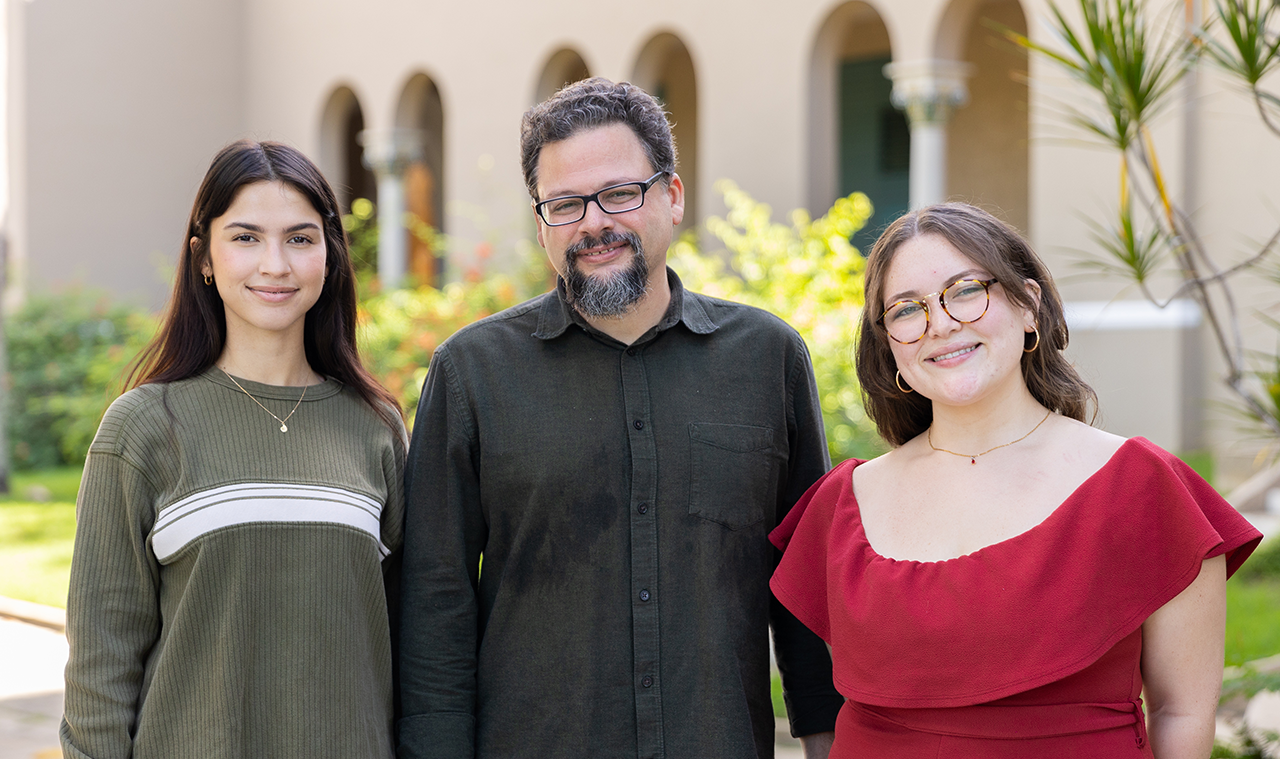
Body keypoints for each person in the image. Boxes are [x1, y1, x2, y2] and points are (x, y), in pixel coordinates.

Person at [397, 77, 842, 759]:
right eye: (566, 204)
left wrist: (826, 742)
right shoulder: (471, 374)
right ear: (542, 223)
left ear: (673, 196)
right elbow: (435, 604)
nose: (594, 223)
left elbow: (807, 590)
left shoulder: (768, 359)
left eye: (619, 194)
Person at [769, 202, 1263, 758]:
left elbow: (1182, 711)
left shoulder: (1141, 488)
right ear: (888, 343)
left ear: (1029, 305)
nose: (941, 323)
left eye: (965, 290)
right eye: (907, 310)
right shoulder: (842, 505)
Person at [60, 140, 406, 759]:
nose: (275, 264)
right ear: (204, 259)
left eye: (300, 238)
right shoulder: (143, 428)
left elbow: (415, 643)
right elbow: (100, 673)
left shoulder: (376, 427)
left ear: (329, 255)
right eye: (246, 238)